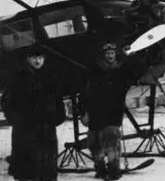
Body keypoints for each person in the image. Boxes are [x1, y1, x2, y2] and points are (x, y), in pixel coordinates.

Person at [79, 41, 147, 180]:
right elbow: (84, 92)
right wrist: (83, 112)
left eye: (112, 53)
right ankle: (100, 169)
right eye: (107, 53)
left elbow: (138, 72)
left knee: (112, 142)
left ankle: (114, 171)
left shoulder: (121, 71)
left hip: (113, 113)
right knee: (94, 143)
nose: (110, 56)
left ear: (115, 54)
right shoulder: (94, 70)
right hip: (95, 112)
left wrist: (132, 56)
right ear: (103, 55)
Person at [0, 45, 66, 181]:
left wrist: (57, 117)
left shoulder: (50, 78)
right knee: (28, 170)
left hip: (46, 131)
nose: (37, 61)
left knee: (47, 169)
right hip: (26, 131)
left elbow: (58, 101)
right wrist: (18, 121)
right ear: (28, 59)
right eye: (34, 58)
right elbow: (7, 102)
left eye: (40, 58)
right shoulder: (18, 78)